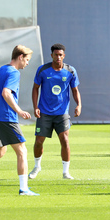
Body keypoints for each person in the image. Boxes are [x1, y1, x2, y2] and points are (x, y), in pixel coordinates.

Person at [0, 45, 38, 196]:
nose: (27, 63)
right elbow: (6, 93)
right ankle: (24, 189)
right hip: (6, 118)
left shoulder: (0, 71)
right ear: (20, 57)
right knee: (22, 150)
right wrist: (19, 110)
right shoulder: (13, 72)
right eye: (27, 60)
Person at [28, 43, 82, 180]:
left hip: (62, 113)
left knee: (65, 140)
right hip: (45, 112)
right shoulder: (43, 70)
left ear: (64, 56)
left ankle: (65, 172)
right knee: (39, 141)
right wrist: (35, 107)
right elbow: (35, 88)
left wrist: (79, 105)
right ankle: (37, 166)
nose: (58, 57)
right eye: (56, 55)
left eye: (60, 55)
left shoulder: (70, 71)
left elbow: (75, 90)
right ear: (51, 55)